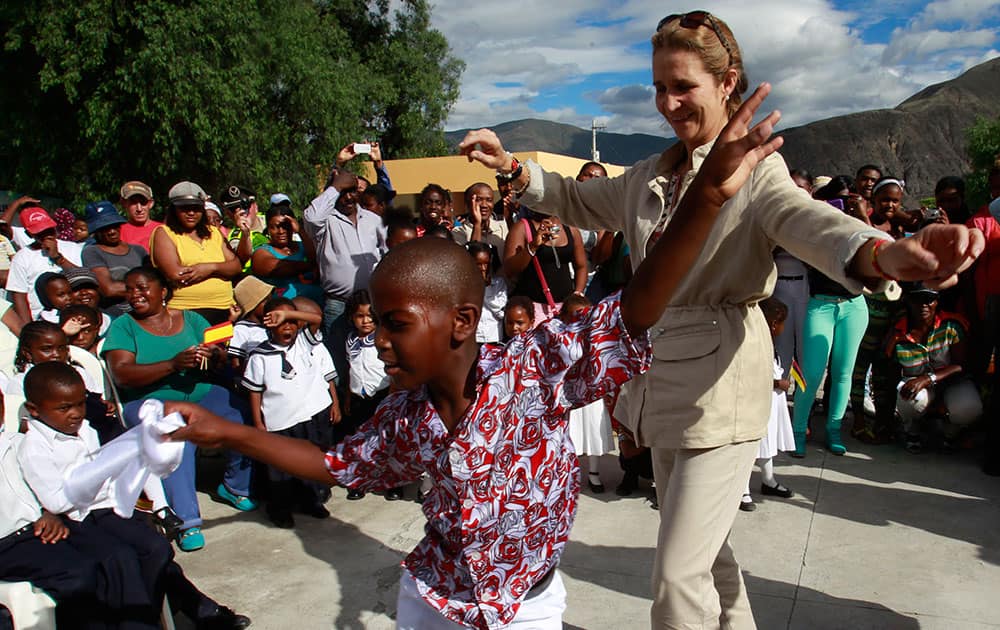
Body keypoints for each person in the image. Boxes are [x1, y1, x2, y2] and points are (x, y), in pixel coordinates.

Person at [458, 11, 983, 627]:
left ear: (727, 81)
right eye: (658, 87)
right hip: (657, 383)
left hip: (722, 386)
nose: (667, 102)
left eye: (683, 86)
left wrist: (889, 254)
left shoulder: (756, 172)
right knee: (706, 556)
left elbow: (813, 224)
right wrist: (510, 168)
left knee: (678, 578)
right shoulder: (651, 175)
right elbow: (577, 198)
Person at [16, 362, 251, 629]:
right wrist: (101, 474)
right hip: (75, 518)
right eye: (64, 408)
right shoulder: (34, 447)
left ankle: (145, 616)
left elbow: (114, 474)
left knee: (157, 548)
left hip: (107, 507)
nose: (75, 414)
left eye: (80, 405)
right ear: (34, 410)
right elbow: (59, 501)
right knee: (124, 558)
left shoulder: (86, 429)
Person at [102, 266, 255, 552]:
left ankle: (234, 485)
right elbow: (122, 374)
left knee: (243, 417)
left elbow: (218, 353)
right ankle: (187, 521)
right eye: (130, 288)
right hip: (150, 402)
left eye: (142, 287)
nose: (135, 294)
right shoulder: (123, 326)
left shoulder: (191, 319)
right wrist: (172, 364)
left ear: (164, 292)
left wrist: (213, 355)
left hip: (199, 392)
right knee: (177, 438)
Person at [243, 297, 339, 528]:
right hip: (281, 421)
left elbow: (317, 319)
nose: (286, 327)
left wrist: (289, 315)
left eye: (291, 322)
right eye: (279, 322)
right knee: (281, 469)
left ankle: (311, 501)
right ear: (268, 325)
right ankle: (280, 509)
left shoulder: (305, 342)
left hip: (312, 415)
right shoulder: (259, 356)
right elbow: (255, 392)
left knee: (310, 463)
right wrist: (258, 423)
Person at [303, 168, 386, 388]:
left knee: (374, 359)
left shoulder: (373, 220)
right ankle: (344, 409)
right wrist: (336, 186)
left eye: (352, 191)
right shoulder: (324, 222)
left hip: (372, 304)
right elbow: (310, 217)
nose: (348, 196)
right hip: (339, 305)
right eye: (343, 191)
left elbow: (387, 252)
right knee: (339, 358)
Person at [889, 282, 981, 453]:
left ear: (937, 302)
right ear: (908, 301)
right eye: (917, 299)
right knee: (908, 398)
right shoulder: (898, 332)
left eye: (929, 299)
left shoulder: (951, 325)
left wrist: (927, 379)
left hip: (951, 382)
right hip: (916, 386)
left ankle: (949, 433)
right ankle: (911, 430)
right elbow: (889, 371)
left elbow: (961, 365)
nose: (923, 305)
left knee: (969, 406)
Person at [151, 182, 241, 325]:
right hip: (185, 312)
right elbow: (176, 274)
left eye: (196, 208)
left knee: (219, 347)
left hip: (225, 309)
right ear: (174, 209)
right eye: (184, 208)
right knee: (196, 348)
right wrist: (223, 270)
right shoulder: (164, 233)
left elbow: (236, 267)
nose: (191, 213)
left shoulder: (213, 233)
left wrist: (210, 268)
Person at [740, 297, 795, 512]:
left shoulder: (770, 342)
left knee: (768, 444)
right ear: (774, 324)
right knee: (751, 446)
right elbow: (749, 374)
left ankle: (768, 480)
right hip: (757, 401)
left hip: (772, 402)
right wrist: (776, 382)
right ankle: (742, 489)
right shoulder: (752, 342)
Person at [561, 293, 616, 493]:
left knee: (594, 431)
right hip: (569, 393)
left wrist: (607, 388)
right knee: (570, 434)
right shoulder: (560, 337)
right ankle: (568, 475)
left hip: (592, 393)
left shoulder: (596, 337)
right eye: (575, 315)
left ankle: (593, 473)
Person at [341, 289, 391, 501]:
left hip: (381, 395)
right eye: (360, 316)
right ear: (352, 317)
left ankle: (390, 482)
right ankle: (359, 481)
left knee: (386, 440)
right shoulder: (350, 340)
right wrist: (348, 396)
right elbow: (351, 367)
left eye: (370, 315)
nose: (366, 320)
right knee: (360, 441)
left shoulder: (382, 338)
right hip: (359, 399)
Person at [503, 209, 587, 324]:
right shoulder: (522, 228)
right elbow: (510, 269)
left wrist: (577, 294)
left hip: (565, 310)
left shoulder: (570, 229)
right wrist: (532, 247)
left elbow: (581, 266)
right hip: (532, 310)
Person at [6, 206, 83, 323]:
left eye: (49, 230)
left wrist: (58, 257)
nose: (47, 235)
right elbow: (19, 296)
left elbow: (83, 278)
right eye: (40, 233)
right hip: (42, 321)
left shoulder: (72, 248)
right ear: (29, 234)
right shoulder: (22, 258)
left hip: (76, 314)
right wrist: (27, 328)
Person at [81, 200, 148, 318]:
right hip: (114, 316)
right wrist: (146, 288)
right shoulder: (92, 252)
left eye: (114, 225)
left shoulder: (139, 250)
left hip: (144, 313)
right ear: (96, 231)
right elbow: (109, 289)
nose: (112, 232)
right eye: (105, 228)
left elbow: (156, 280)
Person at [250, 205, 322, 305]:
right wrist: (311, 266)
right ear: (268, 229)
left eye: (286, 226)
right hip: (283, 309)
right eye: (274, 227)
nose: (281, 231)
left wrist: (300, 231)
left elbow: (316, 257)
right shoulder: (261, 252)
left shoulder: (303, 245)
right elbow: (280, 268)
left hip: (316, 301)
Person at [228, 275, 275, 376]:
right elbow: (236, 363)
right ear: (253, 305)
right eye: (266, 301)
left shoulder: (271, 325)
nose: (271, 304)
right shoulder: (241, 329)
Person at [466, 241, 507, 344]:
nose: (483, 268)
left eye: (486, 264)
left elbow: (501, 313)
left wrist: (486, 287)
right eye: (478, 264)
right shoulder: (463, 286)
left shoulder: (499, 284)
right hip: (473, 339)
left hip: (494, 338)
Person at [219, 186, 268, 269]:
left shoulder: (272, 221)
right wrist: (245, 234)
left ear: (255, 207)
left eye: (245, 206)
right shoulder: (234, 236)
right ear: (228, 214)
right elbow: (242, 258)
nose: (241, 212)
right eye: (233, 209)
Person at [454, 183, 508, 253]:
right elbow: (473, 259)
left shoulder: (503, 227)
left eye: (489, 200)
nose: (484, 205)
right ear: (467, 204)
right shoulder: (458, 232)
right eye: (478, 200)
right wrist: (477, 224)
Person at [118, 181, 163, 249]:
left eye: (143, 202)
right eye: (133, 202)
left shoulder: (163, 230)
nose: (139, 209)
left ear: (151, 203)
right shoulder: (117, 233)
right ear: (123, 203)